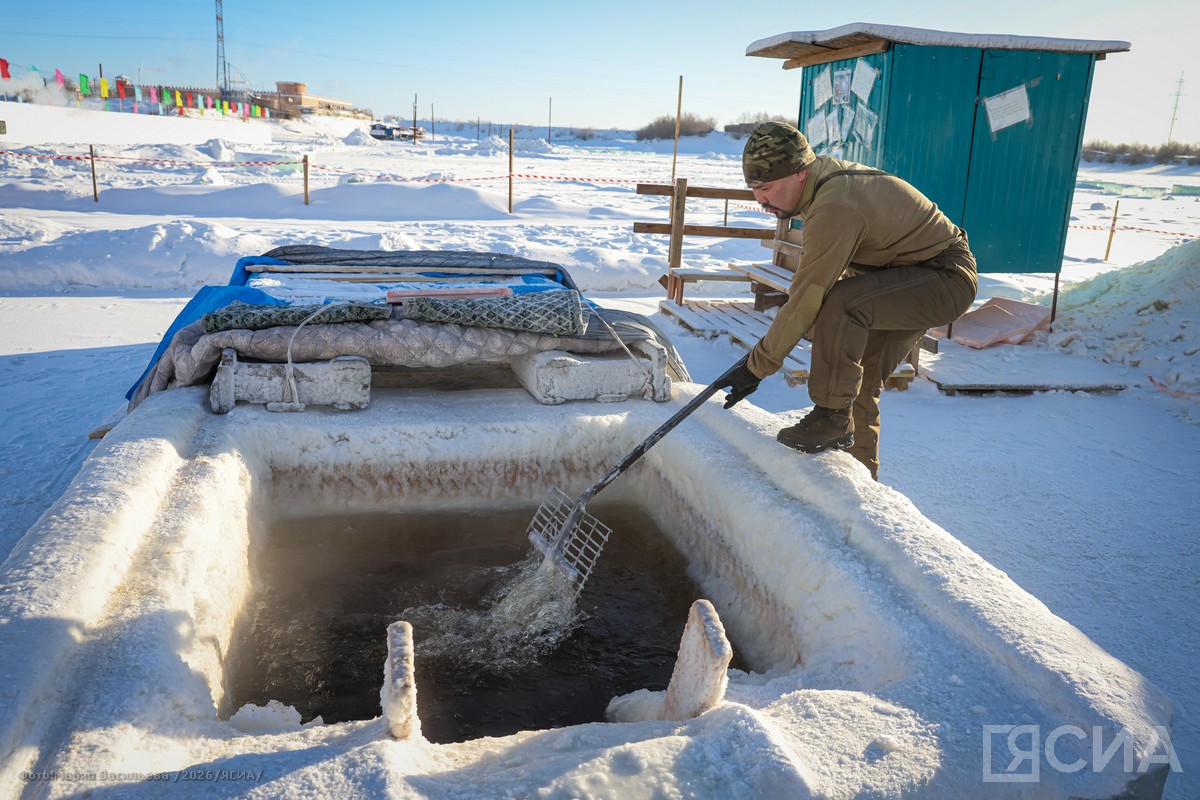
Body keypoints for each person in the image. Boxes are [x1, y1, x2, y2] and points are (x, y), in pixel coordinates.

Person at [719, 121, 978, 480]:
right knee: (860, 382)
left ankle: (831, 416)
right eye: (753, 189)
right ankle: (859, 486)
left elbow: (808, 297)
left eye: (766, 188)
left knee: (841, 304)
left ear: (799, 173)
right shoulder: (820, 185)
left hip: (943, 278)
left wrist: (755, 367)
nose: (759, 200)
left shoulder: (835, 204)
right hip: (904, 277)